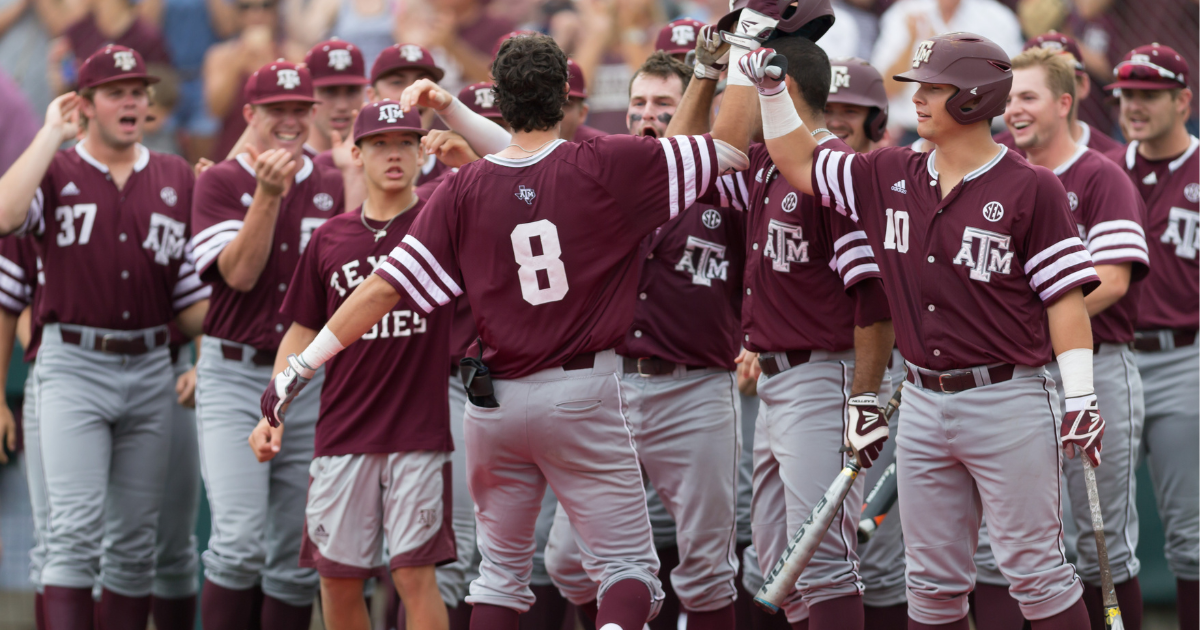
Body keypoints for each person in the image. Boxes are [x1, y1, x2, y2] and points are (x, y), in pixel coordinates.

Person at [259, 33, 748, 630]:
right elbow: (727, 146)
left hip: (491, 404)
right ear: (566, 98)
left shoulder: (462, 186)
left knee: (499, 576)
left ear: (503, 100)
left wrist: (301, 365)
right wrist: (746, 59)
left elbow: (383, 289)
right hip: (580, 392)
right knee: (631, 576)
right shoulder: (606, 163)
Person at [740, 31, 1104, 628]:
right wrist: (775, 92)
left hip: (1008, 396)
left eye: (935, 88)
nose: (919, 99)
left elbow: (1064, 301)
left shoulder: (1030, 185)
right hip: (922, 402)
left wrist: (1082, 397)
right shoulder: (889, 170)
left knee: (1035, 574)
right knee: (930, 586)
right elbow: (800, 163)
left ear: (974, 97)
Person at [669, 23, 894, 629]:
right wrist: (708, 72)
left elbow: (874, 298)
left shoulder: (830, 172)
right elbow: (683, 161)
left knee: (819, 562)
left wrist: (865, 397)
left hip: (825, 376)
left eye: (753, 75)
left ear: (780, 85)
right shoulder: (769, 161)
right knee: (774, 566)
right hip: (775, 381)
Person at [0, 44, 207, 628]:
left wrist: (216, 353)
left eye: (138, 91)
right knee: (70, 535)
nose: (131, 101)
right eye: (116, 92)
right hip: (72, 364)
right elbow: (4, 222)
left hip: (151, 368)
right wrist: (48, 135)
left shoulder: (172, 175)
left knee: (134, 547)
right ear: (85, 104)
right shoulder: (53, 170)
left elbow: (191, 301)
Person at [542, 49, 746, 630]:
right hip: (608, 387)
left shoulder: (727, 183)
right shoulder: (601, 179)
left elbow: (762, 269)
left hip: (695, 388)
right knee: (566, 561)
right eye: (637, 104)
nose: (647, 115)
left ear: (694, 109)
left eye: (664, 104)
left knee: (708, 568)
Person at [252, 99, 456, 630]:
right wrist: (271, 411)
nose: (394, 155)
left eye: (406, 143)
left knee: (414, 576)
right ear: (355, 153)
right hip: (343, 428)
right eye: (381, 144)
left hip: (419, 428)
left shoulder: (442, 219)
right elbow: (301, 329)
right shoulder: (330, 236)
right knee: (338, 579)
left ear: (420, 153)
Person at [972, 45, 1152, 630]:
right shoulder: (997, 168)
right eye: (1009, 99)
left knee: (1101, 537)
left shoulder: (1101, 174)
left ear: (1064, 102)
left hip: (1096, 365)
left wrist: (1026, 324)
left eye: (1028, 97)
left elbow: (1115, 281)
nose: (1014, 110)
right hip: (1020, 376)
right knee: (1011, 540)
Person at [189, 59, 344, 629]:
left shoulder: (331, 182)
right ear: (249, 113)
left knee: (293, 556)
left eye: (298, 108)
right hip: (235, 371)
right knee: (238, 540)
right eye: (276, 109)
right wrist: (267, 196)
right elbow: (241, 274)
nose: (289, 119)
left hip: (309, 379)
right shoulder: (220, 180)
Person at [1105, 42, 1199, 630]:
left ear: (1182, 99)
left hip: (1183, 358)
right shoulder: (1105, 169)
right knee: (1095, 531)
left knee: (1189, 532)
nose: (1135, 106)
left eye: (1149, 95)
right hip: (1109, 357)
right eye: (1127, 96)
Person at [870, 0, 1022, 140]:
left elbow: (1007, 83)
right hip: (916, 132)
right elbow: (884, 89)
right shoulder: (904, 12)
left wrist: (939, 53)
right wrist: (912, 42)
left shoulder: (997, 17)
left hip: (978, 131)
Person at [202, 0, 305, 159]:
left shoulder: (295, 54)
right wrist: (239, 61)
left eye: (266, 6)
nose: (257, 15)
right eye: (246, 8)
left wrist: (268, 61)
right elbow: (216, 110)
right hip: (233, 147)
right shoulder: (220, 55)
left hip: (282, 149)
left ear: (276, 11)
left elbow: (301, 107)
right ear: (236, 13)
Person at [991, 32, 1123, 157]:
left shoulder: (1112, 156)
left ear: (1083, 85)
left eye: (1063, 80)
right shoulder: (995, 153)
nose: (1054, 89)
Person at [304, 39, 368, 158]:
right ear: (307, 94)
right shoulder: (287, 163)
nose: (342, 106)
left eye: (352, 91)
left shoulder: (381, 159)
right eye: (329, 91)